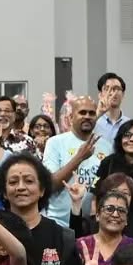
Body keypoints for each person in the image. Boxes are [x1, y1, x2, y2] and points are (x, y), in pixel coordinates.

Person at [43, 95, 102, 226]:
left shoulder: (106, 145)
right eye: (82, 112)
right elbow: (51, 185)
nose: (87, 116)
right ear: (71, 117)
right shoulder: (55, 143)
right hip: (59, 223)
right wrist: (79, 157)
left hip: (94, 225)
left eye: (92, 113)